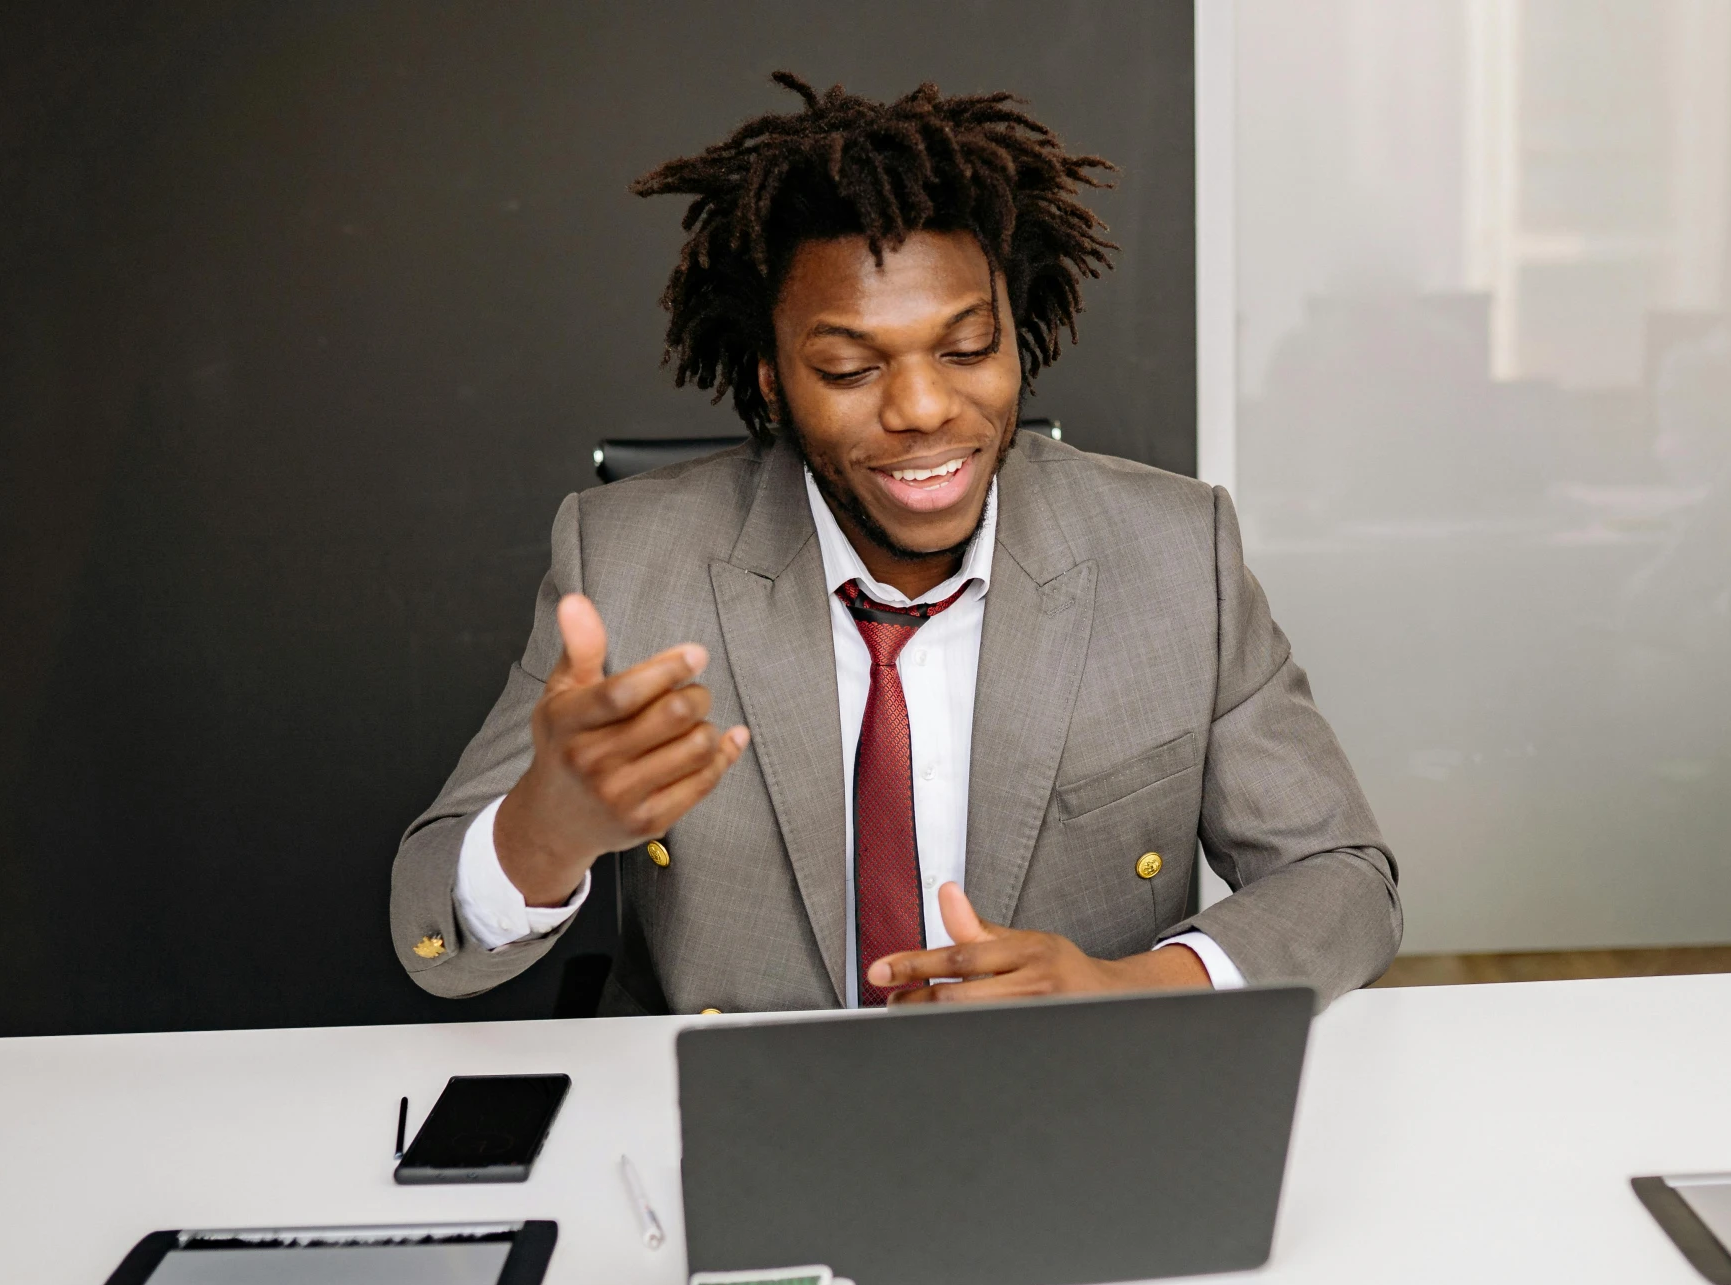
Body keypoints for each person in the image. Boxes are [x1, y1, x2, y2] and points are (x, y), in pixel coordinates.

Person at [391, 74, 1398, 1014]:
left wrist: (1136, 984)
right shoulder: (624, 560)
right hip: (739, 1123)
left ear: (1021, 334)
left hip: (1075, 1114)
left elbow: (1342, 879)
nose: (924, 407)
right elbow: (426, 928)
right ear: (774, 379)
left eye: (967, 349)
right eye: (846, 366)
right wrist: (542, 833)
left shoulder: (1179, 552)